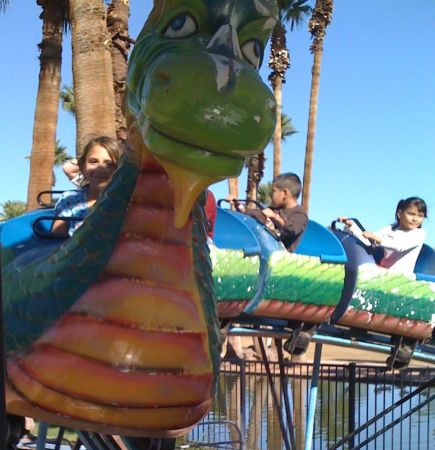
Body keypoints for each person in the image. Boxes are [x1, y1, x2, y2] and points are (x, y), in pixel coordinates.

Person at [52, 136, 122, 237]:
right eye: (93, 161)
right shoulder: (70, 199)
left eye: (109, 164)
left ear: (119, 168)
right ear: (83, 166)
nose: (100, 168)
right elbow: (54, 241)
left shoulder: (127, 202)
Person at [338, 196, 428, 275]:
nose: (415, 219)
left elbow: (400, 246)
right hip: (383, 271)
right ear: (399, 214)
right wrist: (351, 226)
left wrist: (378, 239)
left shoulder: (419, 234)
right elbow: (369, 240)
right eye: (411, 214)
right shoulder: (392, 228)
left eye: (420, 216)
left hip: (400, 276)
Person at [228, 172, 308, 252]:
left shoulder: (300, 215)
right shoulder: (275, 210)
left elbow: (290, 229)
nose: (271, 195)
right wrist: (238, 205)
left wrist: (275, 217)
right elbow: (254, 214)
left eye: (273, 191)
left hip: (281, 260)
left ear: (285, 193)